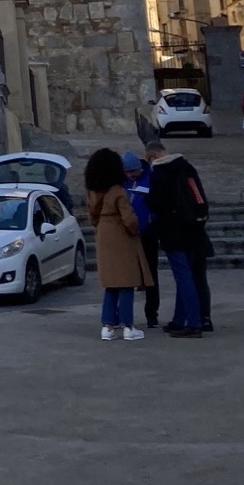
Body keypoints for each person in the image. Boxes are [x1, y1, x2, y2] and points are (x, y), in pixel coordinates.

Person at [84, 146, 152, 342]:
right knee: (126, 281)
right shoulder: (117, 190)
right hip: (120, 234)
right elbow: (129, 219)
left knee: (111, 283)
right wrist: (136, 229)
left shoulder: (92, 191)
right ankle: (128, 325)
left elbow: (92, 216)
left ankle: (107, 326)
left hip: (103, 233)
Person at [147, 137, 213, 335]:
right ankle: (180, 319)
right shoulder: (186, 167)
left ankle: (193, 323)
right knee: (189, 276)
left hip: (173, 231)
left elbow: (156, 204)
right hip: (194, 229)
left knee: (183, 277)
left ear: (152, 157)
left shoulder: (160, 173)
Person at [122, 149, 160, 329]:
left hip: (148, 232)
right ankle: (125, 315)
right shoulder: (124, 183)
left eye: (132, 172)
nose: (130, 175)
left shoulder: (150, 179)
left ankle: (152, 313)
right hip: (129, 234)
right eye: (127, 173)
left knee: (151, 274)